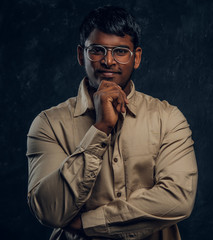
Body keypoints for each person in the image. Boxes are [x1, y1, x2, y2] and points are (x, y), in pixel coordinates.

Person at [26, 6, 198, 240]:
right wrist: (100, 128)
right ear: (80, 55)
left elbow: (178, 200)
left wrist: (87, 224)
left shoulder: (168, 118)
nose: (108, 61)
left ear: (136, 57)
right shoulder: (48, 124)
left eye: (120, 51)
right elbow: (49, 211)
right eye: (97, 50)